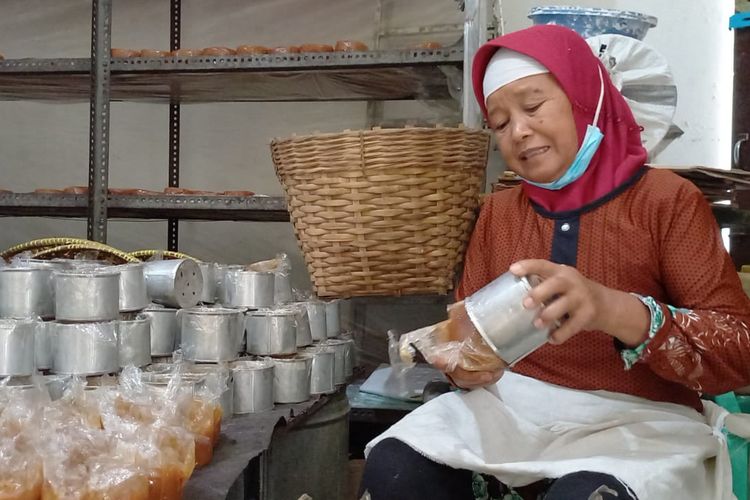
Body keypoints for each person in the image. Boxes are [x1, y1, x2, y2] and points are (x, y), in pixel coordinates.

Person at [358, 24, 750, 500]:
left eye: (533, 105)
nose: (519, 131)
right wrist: (463, 365)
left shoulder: (666, 202)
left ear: (586, 97)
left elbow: (738, 354)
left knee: (587, 496)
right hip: (515, 411)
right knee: (399, 466)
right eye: (500, 123)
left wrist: (612, 309)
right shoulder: (500, 214)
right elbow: (469, 334)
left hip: (641, 423)